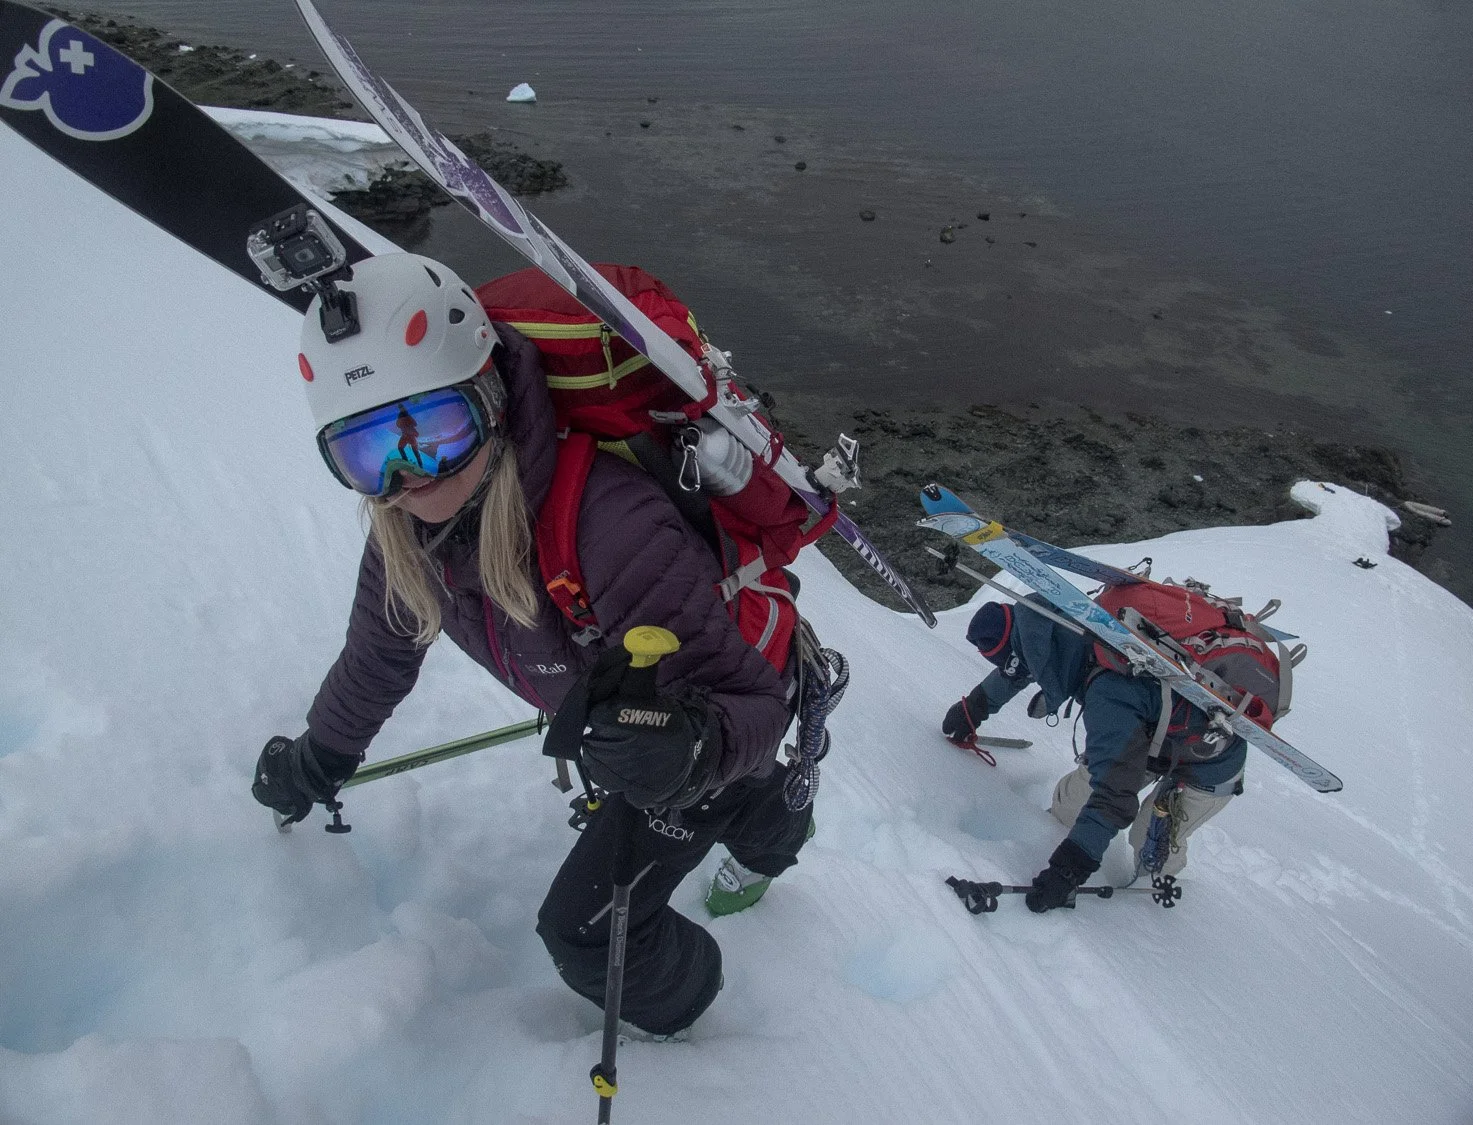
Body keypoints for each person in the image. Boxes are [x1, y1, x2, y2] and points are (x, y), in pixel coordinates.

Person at [250, 252, 814, 1038]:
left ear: (489, 401)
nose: (409, 477)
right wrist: (319, 758)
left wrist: (693, 750)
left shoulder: (605, 526)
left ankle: (703, 1035)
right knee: (730, 787)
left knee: (587, 936)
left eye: (433, 433)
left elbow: (749, 700)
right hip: (638, 710)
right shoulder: (408, 533)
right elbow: (379, 655)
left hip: (716, 694)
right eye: (367, 453)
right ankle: (779, 809)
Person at [941, 599, 1245, 912]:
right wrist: (973, 707)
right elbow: (1020, 667)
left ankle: (1148, 909)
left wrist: (1068, 869)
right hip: (1148, 739)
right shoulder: (1059, 627)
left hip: (1207, 760)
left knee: (1149, 845)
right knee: (1069, 803)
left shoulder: (1108, 691)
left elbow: (1115, 796)